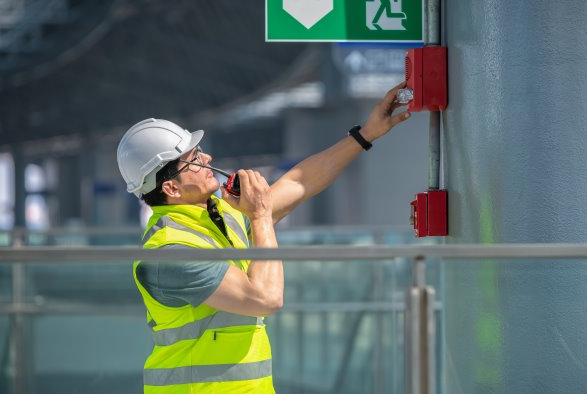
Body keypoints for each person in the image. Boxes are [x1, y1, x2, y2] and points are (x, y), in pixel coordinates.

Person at [116, 83, 411, 393]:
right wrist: (260, 216)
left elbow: (299, 182)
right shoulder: (169, 253)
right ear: (171, 189)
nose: (207, 159)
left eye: (199, 152)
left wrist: (366, 134)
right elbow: (266, 298)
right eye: (192, 161)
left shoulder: (222, 216)